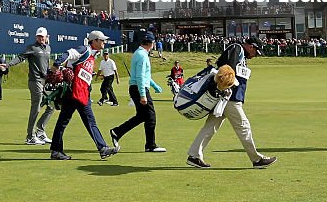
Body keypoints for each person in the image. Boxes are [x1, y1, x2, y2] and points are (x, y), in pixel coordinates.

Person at [186, 36, 277, 169]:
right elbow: (226, 70)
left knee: (211, 127)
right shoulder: (236, 49)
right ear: (251, 46)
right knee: (243, 126)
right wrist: (226, 89)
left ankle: (194, 156)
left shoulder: (239, 53)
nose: (255, 55)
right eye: (256, 52)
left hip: (227, 97)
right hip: (229, 98)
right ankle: (257, 159)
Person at [49, 30, 119, 161]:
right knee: (87, 122)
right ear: (95, 41)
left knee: (66, 122)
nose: (104, 42)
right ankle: (102, 148)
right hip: (74, 92)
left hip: (81, 93)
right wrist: (56, 65)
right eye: (102, 40)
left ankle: (56, 151)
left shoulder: (92, 55)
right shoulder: (84, 49)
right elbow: (67, 54)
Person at [109, 31, 165, 153]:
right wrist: (143, 95)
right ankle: (150, 145)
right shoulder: (142, 56)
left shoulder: (140, 53)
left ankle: (117, 132)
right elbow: (140, 77)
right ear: (150, 43)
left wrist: (155, 86)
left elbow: (145, 76)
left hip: (138, 87)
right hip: (139, 88)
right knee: (151, 116)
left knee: (142, 116)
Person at [9, 26, 54, 145]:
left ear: (46, 37)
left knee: (51, 106)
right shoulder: (32, 48)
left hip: (45, 81)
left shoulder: (48, 48)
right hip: (35, 81)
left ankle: (40, 131)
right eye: (38, 36)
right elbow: (20, 57)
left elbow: (46, 65)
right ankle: (30, 136)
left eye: (42, 36)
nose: (40, 38)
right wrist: (8, 65)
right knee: (36, 107)